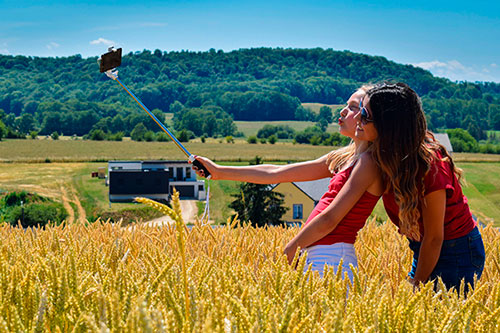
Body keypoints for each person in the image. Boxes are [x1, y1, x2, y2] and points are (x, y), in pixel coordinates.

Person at [192, 87, 383, 279]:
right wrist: (218, 171)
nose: (342, 111)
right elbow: (275, 173)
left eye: (352, 107)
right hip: (318, 254)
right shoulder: (343, 157)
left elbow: (329, 220)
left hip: (333, 258)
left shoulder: (369, 162)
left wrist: (291, 248)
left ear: (368, 115)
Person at [358, 82, 485, 292]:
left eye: (364, 114)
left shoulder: (430, 166)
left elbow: (435, 237)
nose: (359, 119)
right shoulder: (389, 155)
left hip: (454, 250)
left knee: (432, 312)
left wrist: (417, 284)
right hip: (426, 245)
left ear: (388, 125)